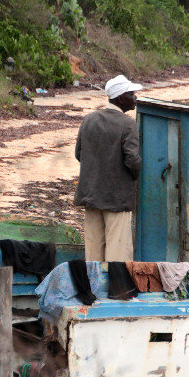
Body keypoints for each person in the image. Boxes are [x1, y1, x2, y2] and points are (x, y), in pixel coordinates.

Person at [73, 75, 143, 262]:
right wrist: (133, 176)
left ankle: (94, 288)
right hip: (116, 199)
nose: (135, 98)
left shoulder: (89, 119)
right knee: (117, 252)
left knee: (93, 251)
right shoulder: (128, 124)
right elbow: (132, 161)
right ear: (121, 98)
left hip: (91, 195)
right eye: (131, 94)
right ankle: (116, 290)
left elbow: (79, 154)